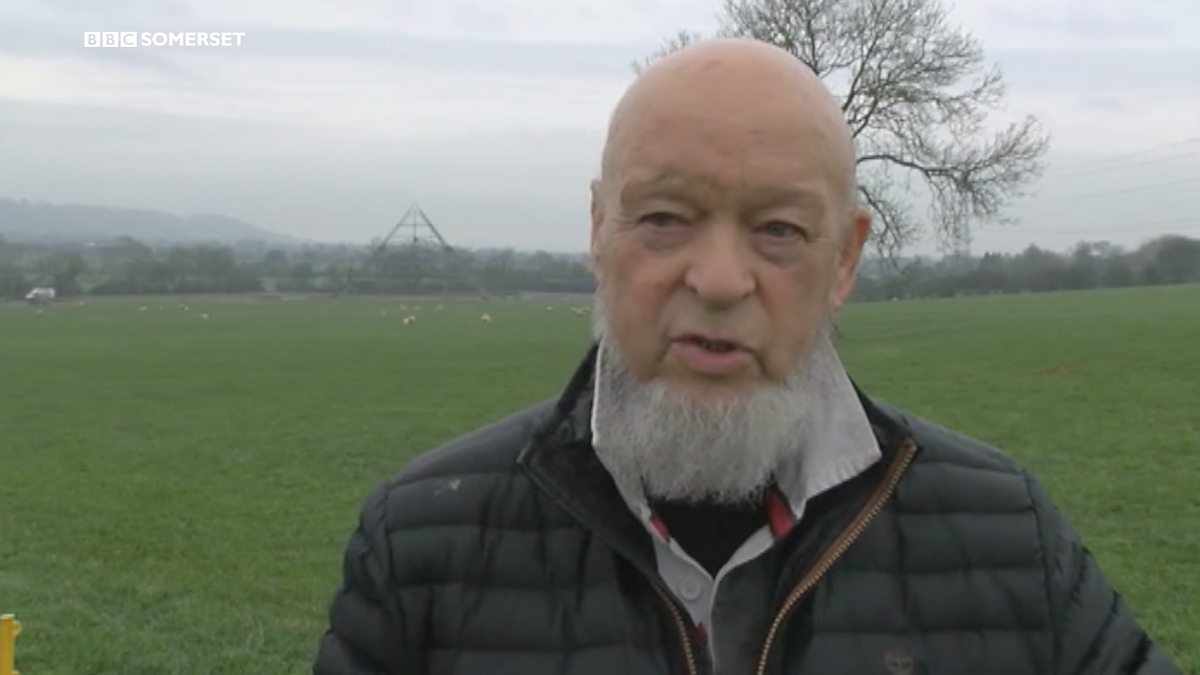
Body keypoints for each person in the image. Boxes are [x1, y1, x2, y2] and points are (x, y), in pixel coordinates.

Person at [312, 38, 1179, 675]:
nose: (721, 280)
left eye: (779, 229)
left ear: (845, 259)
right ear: (598, 231)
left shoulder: (1007, 539)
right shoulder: (421, 542)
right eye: (664, 218)